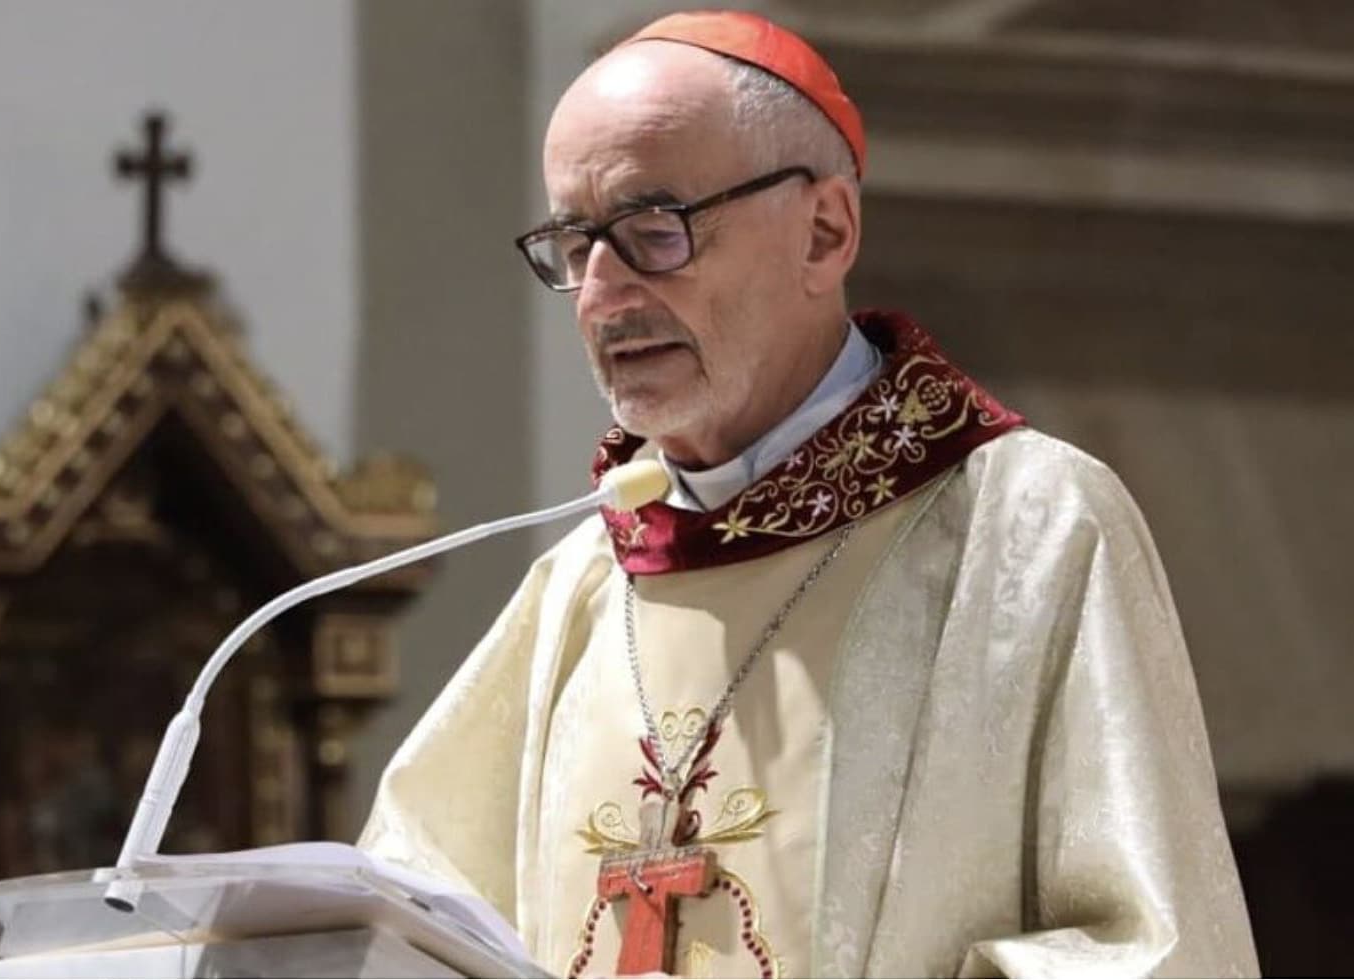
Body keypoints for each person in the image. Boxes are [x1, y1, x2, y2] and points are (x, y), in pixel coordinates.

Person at [361, 11, 1258, 978]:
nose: (601, 294)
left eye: (654, 232)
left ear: (824, 232)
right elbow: (401, 918)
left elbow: (1148, 951)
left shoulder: (1027, 530)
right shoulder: (578, 589)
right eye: (576, 247)